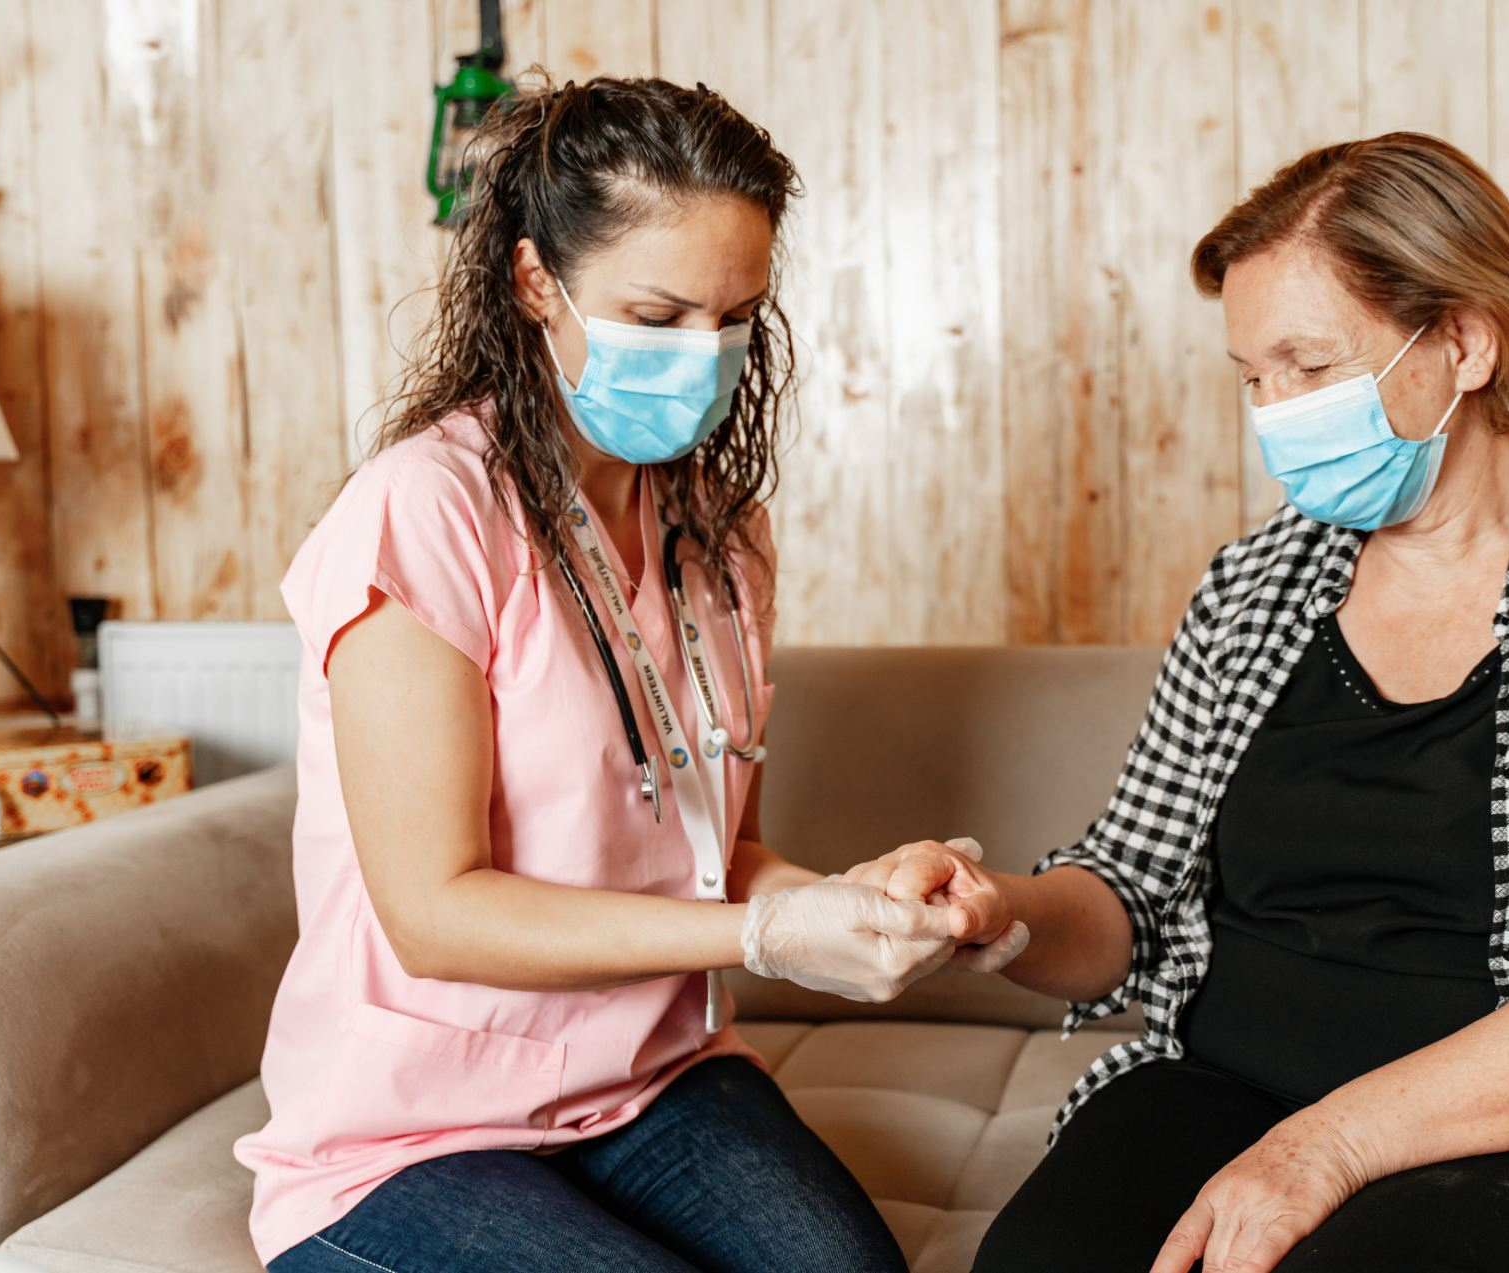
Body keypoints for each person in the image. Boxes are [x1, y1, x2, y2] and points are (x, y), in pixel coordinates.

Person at [848, 133, 1509, 1273]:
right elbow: (1131, 890)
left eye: (1309, 364)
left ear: (1463, 340)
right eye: (1253, 375)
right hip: (1228, 1078)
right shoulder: (1253, 582)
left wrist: (1325, 1147)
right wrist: (995, 913)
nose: (1274, 410)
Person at [234, 71, 1024, 1273]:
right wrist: (762, 937)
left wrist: (862, 900)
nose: (703, 362)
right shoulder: (425, 513)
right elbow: (434, 912)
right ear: (536, 280)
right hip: (416, 1130)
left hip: (654, 1079)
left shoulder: (723, 532)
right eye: (657, 318)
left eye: (734, 318)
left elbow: (712, 857)